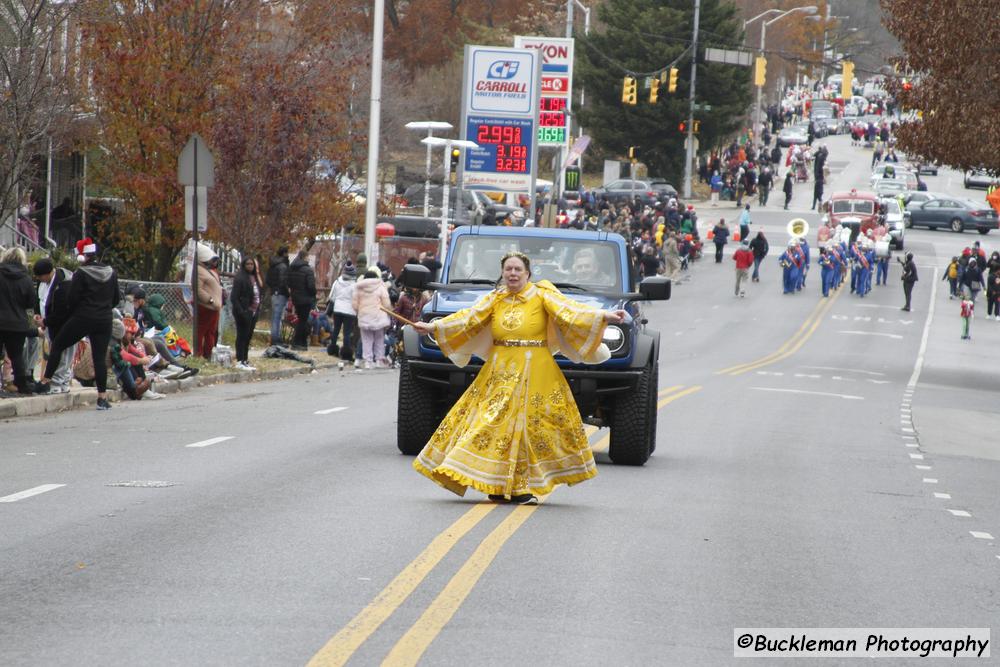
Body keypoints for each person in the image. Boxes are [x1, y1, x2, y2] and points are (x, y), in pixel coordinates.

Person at [410, 252, 626, 504]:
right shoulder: (495, 298)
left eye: (517, 269)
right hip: (499, 370)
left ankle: (522, 486)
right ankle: (495, 483)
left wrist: (604, 317)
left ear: (527, 274)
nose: (512, 273)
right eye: (508, 269)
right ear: (502, 273)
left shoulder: (543, 295)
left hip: (537, 369)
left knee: (531, 427)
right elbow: (468, 318)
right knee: (491, 422)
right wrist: (433, 327)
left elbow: (571, 311)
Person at [34, 239, 119, 410]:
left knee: (58, 344)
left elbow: (72, 299)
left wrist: (80, 310)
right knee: (98, 358)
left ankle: (46, 381)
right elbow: (116, 299)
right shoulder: (111, 272)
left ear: (82, 257)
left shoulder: (81, 273)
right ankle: (102, 398)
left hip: (84, 317)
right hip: (104, 319)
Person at [0, 247, 43, 395]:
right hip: (18, 323)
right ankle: (22, 385)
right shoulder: (25, 278)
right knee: (16, 355)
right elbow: (30, 302)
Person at [32, 258, 75, 392]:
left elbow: (62, 311)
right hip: (50, 324)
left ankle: (58, 383)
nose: (39, 279)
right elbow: (40, 300)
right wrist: (38, 314)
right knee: (54, 353)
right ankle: (59, 383)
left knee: (64, 355)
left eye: (40, 276)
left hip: (65, 324)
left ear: (48, 273)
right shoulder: (43, 283)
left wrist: (45, 321)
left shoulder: (63, 284)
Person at [352, 267, 391, 369]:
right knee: (379, 339)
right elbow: (386, 304)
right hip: (379, 316)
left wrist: (359, 311)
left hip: (364, 317)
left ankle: (367, 362)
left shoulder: (359, 287)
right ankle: (378, 360)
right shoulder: (381, 286)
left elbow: (355, 305)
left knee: (366, 340)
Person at [230, 255, 262, 371]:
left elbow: (258, 292)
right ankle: (240, 359)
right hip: (244, 311)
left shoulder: (254, 277)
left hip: (254, 311)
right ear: (244, 265)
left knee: (248, 336)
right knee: (242, 336)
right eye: (248, 264)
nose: (250, 266)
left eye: (252, 264)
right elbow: (234, 297)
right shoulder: (240, 278)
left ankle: (245, 359)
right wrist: (242, 311)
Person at [194, 243, 223, 359]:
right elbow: (198, 289)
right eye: (212, 260)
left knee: (211, 332)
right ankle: (198, 354)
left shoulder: (210, 271)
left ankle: (209, 354)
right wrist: (209, 300)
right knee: (201, 331)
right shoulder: (199, 270)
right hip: (207, 306)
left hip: (215, 307)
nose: (214, 262)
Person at [327, 262, 358, 369]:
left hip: (337, 309)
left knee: (336, 329)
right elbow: (356, 299)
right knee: (347, 332)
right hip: (349, 311)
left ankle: (332, 349)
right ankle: (346, 354)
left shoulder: (337, 282)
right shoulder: (354, 285)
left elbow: (332, 296)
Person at [286, 248, 316, 350]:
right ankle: (297, 342)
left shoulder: (292, 268)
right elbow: (311, 286)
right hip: (306, 298)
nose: (309, 259)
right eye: (308, 257)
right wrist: (313, 295)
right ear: (305, 257)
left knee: (301, 319)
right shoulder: (308, 270)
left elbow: (289, 282)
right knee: (303, 321)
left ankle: (302, 342)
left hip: (296, 298)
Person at [265, 246, 290, 345]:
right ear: (284, 253)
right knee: (277, 317)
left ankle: (275, 337)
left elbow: (267, 280)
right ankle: (276, 338)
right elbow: (283, 281)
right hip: (280, 293)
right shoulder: (283, 266)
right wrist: (287, 292)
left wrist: (273, 288)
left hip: (274, 292)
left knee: (275, 316)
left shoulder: (272, 265)